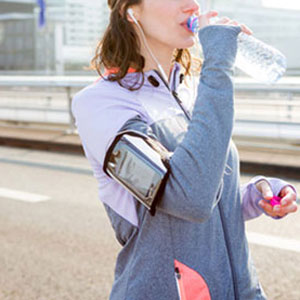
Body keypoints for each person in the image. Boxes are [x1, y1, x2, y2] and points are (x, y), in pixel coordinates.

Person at [72, 0, 298, 299]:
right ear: (131, 10)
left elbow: (207, 202)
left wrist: (252, 196)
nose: (192, 5)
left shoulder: (189, 91)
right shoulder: (102, 105)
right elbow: (190, 198)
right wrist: (218, 67)